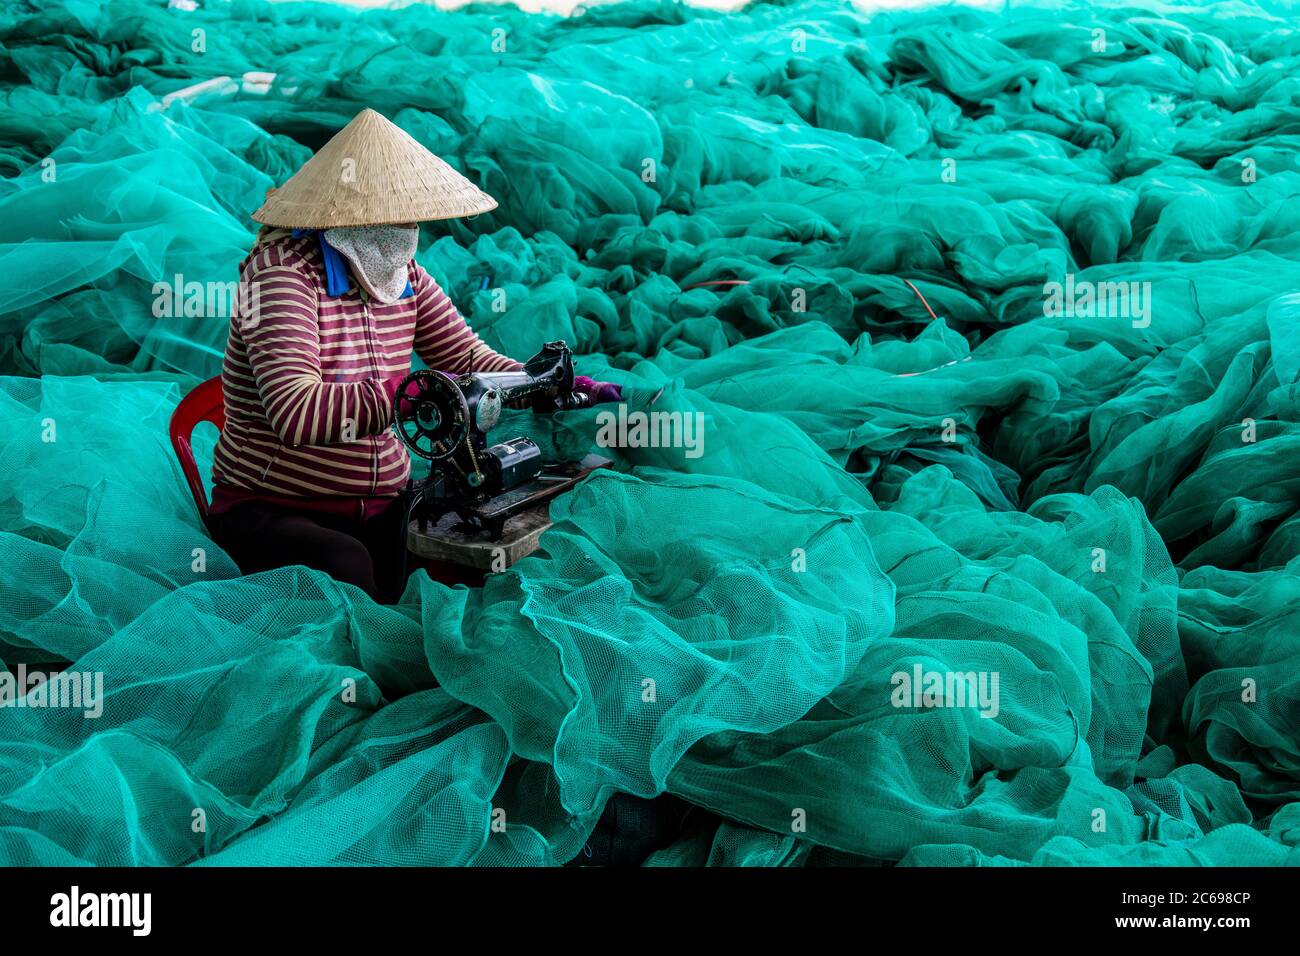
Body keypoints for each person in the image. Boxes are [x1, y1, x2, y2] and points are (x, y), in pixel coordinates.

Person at [208, 109, 619, 602]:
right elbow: (297, 412)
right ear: (348, 215)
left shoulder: (403, 276)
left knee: (468, 557)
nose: (406, 228)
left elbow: (466, 357)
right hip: (277, 506)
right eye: (393, 215)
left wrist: (540, 383)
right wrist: (413, 394)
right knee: (349, 566)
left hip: (382, 502)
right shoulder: (280, 277)